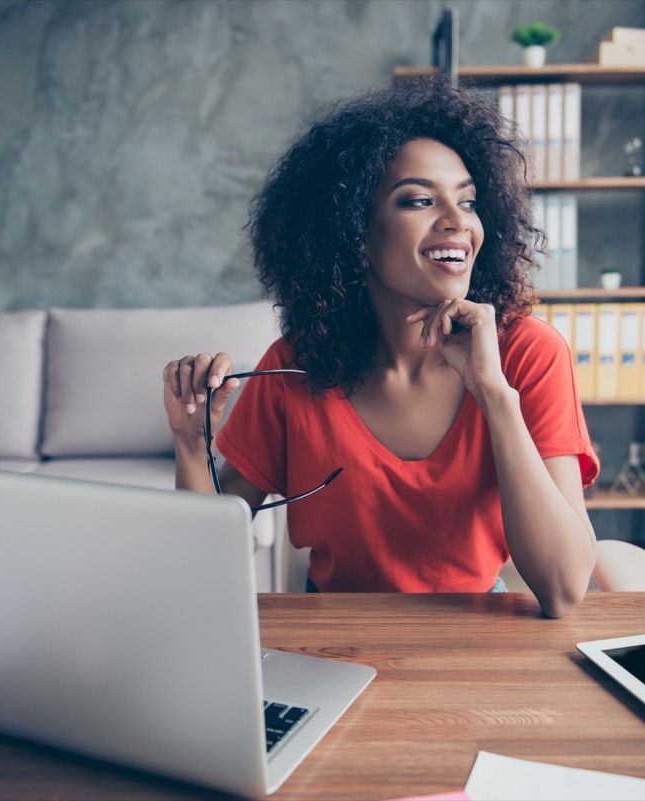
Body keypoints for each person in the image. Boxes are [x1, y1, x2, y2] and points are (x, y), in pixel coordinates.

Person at [162, 77, 599, 618]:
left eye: (468, 201)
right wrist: (188, 440)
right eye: (419, 200)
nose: (458, 222)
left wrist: (492, 391)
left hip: (474, 639)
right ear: (356, 236)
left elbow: (562, 589)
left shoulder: (529, 353)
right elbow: (203, 560)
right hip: (332, 638)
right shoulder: (297, 364)